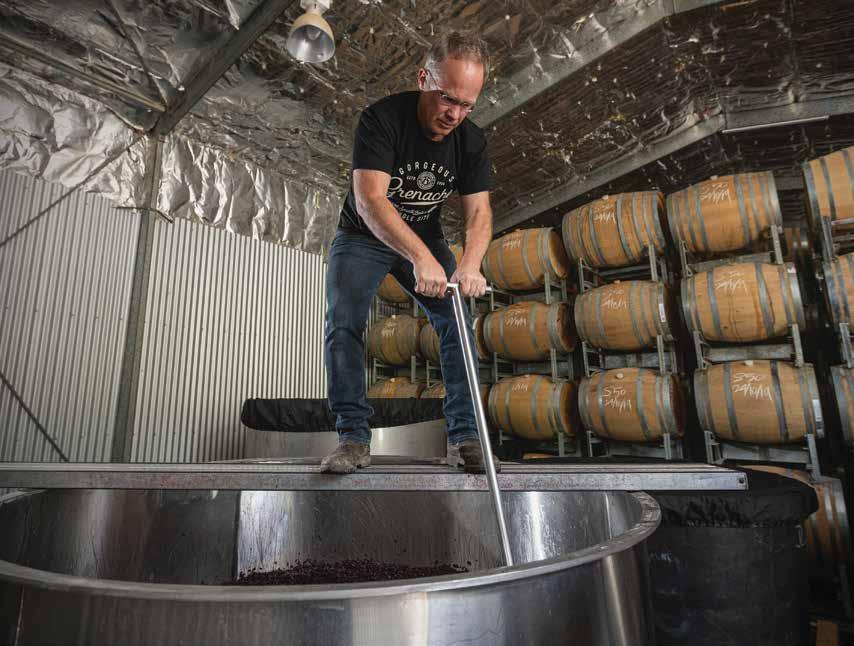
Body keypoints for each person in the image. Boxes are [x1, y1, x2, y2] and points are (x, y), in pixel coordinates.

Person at [321, 30, 495, 474]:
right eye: (447, 98)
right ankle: (353, 438)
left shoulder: (470, 141)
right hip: (362, 234)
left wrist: (470, 264)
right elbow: (371, 201)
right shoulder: (382, 120)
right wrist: (421, 258)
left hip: (425, 233)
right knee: (343, 323)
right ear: (423, 79)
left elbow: (479, 213)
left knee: (457, 323)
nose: (454, 114)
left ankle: (464, 437)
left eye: (467, 105)